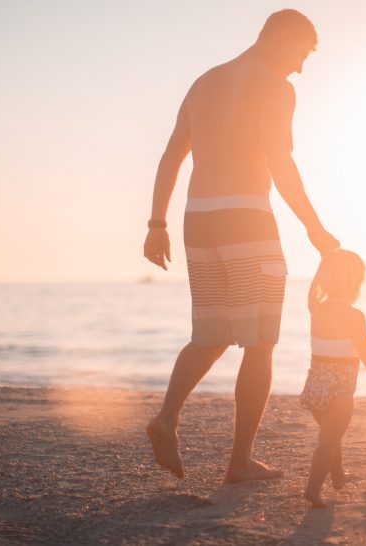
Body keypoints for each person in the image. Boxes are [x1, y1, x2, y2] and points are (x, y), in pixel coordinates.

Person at [142, 9, 339, 483]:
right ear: (283, 37)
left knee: (210, 336)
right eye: (302, 54)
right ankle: (240, 463)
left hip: (198, 219)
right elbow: (280, 161)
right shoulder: (275, 86)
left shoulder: (204, 82)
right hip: (247, 218)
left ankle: (166, 417)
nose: (300, 68)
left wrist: (156, 223)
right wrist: (314, 227)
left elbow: (172, 154)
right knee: (260, 341)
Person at [300, 249, 366, 507]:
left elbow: (313, 288)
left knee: (331, 435)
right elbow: (365, 352)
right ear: (356, 284)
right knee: (328, 441)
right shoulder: (354, 316)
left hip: (314, 387)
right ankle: (313, 488)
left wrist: (323, 261)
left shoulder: (316, 308)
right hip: (340, 390)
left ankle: (338, 476)